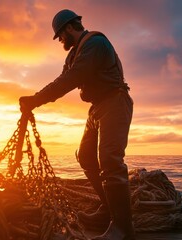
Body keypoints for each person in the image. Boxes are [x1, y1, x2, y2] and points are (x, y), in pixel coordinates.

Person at [19, 9, 135, 240]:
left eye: (60, 36)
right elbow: (62, 79)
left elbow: (70, 81)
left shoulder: (96, 44)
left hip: (114, 101)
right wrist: (35, 99)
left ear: (69, 28)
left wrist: (36, 100)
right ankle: (108, 210)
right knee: (85, 157)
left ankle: (123, 229)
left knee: (111, 161)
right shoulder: (73, 55)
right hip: (97, 108)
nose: (60, 40)